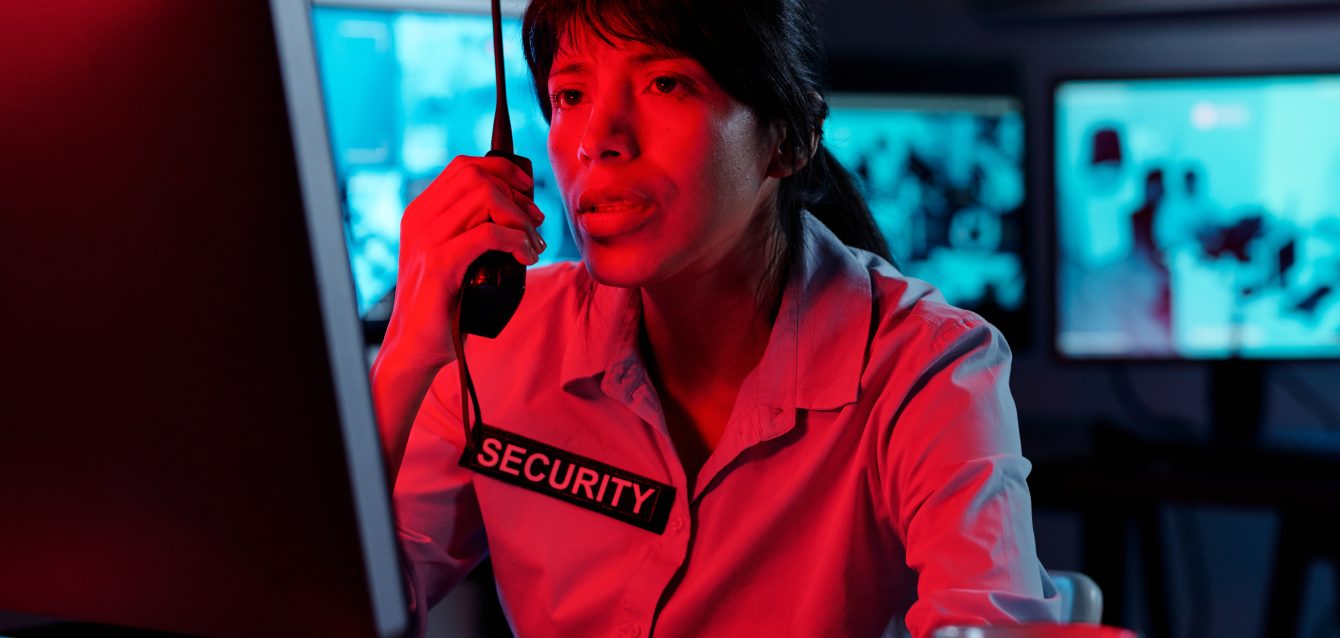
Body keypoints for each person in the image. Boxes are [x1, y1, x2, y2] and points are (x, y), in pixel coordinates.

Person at [369, 0, 1061, 636]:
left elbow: (987, 619)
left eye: (665, 83)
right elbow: (329, 604)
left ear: (786, 142)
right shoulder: (496, 346)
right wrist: (406, 355)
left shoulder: (927, 365)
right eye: (571, 94)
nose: (597, 139)